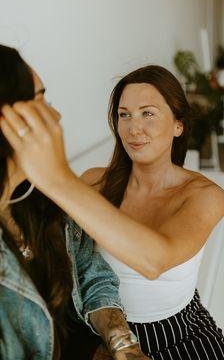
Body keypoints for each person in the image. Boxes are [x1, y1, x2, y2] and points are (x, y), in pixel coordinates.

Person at [0, 63, 224, 360]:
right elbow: (77, 264)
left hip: (179, 331)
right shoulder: (93, 182)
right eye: (124, 114)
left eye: (147, 113)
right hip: (97, 334)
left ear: (179, 124)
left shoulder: (205, 195)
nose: (133, 128)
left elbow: (155, 260)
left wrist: (56, 177)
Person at [0, 44, 149, 360]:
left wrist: (121, 342)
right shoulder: (60, 184)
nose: (56, 114)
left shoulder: (37, 198)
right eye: (39, 100)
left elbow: (90, 271)